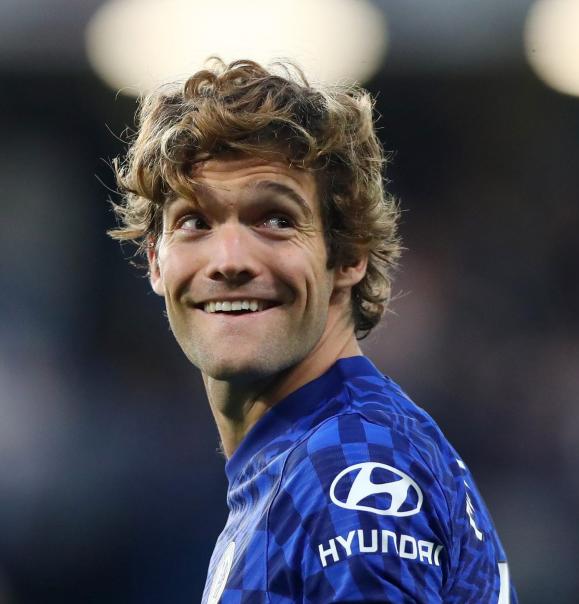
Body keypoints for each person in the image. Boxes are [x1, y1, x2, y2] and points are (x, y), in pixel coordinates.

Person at [109, 58, 515, 603]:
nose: (229, 260)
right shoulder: (301, 462)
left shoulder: (351, 465)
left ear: (348, 256)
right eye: (195, 222)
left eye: (275, 219)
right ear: (157, 262)